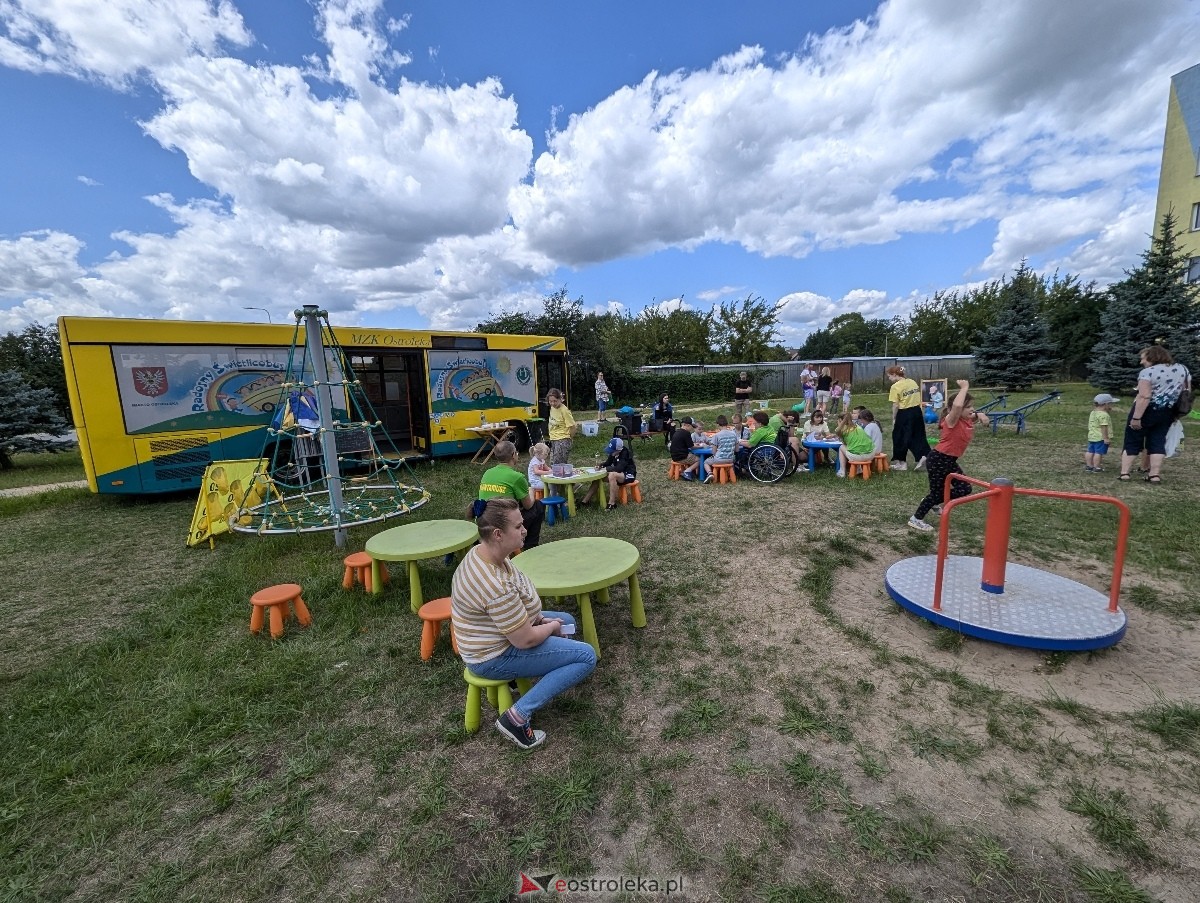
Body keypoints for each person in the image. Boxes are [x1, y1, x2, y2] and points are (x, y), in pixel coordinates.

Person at [451, 498, 597, 750]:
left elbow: (515, 605)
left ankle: (522, 676)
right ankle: (516, 718)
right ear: (498, 534)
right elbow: (524, 639)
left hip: (496, 636)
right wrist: (548, 627)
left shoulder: (485, 554)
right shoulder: (493, 585)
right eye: (518, 526)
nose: (525, 530)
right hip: (492, 656)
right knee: (586, 656)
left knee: (567, 621)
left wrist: (540, 618)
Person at [908, 380, 989, 531]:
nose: (972, 409)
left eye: (972, 406)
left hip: (949, 460)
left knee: (964, 488)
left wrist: (980, 414)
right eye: (968, 406)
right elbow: (957, 407)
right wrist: (964, 388)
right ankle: (916, 519)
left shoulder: (966, 419)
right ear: (954, 410)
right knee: (936, 493)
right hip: (939, 459)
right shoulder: (951, 420)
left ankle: (933, 501)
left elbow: (972, 414)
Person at [1119, 345, 1191, 484]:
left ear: (1152, 357)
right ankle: (1154, 475)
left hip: (1146, 410)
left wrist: (1136, 418)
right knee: (1158, 441)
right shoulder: (1182, 369)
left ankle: (1125, 473)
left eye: (1143, 359)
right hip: (1167, 411)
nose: (1141, 362)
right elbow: (1186, 391)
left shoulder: (1147, 372)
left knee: (1132, 439)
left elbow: (1144, 396)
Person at [476, 440, 545, 549]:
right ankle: (530, 546)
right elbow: (528, 505)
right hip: (503, 524)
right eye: (516, 452)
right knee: (538, 506)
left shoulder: (487, 473)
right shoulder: (517, 477)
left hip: (485, 521)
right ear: (513, 455)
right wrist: (531, 491)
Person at [886, 365, 931, 471]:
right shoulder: (912, 382)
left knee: (899, 437)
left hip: (904, 413)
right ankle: (924, 455)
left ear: (894, 374)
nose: (889, 378)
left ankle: (901, 463)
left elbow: (896, 405)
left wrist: (894, 418)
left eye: (889, 376)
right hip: (917, 411)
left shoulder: (895, 386)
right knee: (918, 435)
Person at [581, 436, 637, 508]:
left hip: (628, 474)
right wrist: (601, 465)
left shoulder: (625, 454)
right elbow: (608, 463)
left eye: (612, 451)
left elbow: (618, 469)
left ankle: (612, 503)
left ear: (618, 450)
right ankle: (585, 501)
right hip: (619, 474)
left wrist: (606, 469)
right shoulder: (614, 453)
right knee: (598, 477)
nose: (610, 452)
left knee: (612, 475)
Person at [835, 411, 877, 478]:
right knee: (856, 447)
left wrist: (839, 424)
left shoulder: (841, 429)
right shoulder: (857, 426)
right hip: (871, 454)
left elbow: (845, 443)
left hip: (858, 457)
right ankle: (858, 469)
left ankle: (842, 471)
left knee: (841, 447)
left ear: (840, 420)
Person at [1086, 394, 1117, 473]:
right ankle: (1096, 467)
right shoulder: (1104, 415)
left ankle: (1089, 466)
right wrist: (1106, 438)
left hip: (1092, 436)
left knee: (1090, 451)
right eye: (1110, 404)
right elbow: (1104, 427)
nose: (1111, 406)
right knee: (1098, 452)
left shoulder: (1093, 412)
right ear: (1106, 404)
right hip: (1100, 438)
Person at [546, 388, 576, 465]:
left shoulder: (564, 411)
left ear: (560, 399)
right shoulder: (552, 408)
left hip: (562, 440)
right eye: (550, 401)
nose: (552, 403)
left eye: (555, 401)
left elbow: (573, 427)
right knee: (553, 463)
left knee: (558, 465)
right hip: (553, 439)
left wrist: (569, 439)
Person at [707, 414, 739, 480]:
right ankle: (728, 475)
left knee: (706, 462)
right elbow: (737, 450)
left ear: (718, 424)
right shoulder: (733, 434)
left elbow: (713, 452)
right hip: (731, 459)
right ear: (727, 423)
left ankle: (710, 473)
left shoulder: (717, 435)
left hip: (719, 459)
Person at [669, 416, 701, 481]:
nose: (692, 428)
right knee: (699, 460)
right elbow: (691, 447)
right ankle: (687, 471)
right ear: (687, 425)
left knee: (692, 456)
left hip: (674, 456)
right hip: (682, 457)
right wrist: (701, 446)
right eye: (691, 426)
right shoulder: (686, 433)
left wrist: (694, 444)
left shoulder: (678, 431)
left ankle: (690, 472)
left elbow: (687, 444)